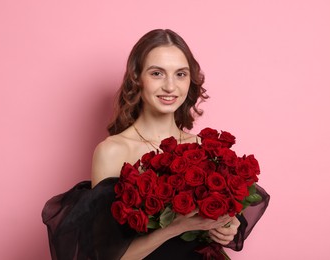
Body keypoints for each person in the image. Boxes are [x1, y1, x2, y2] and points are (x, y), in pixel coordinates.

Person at [42, 29, 270, 260]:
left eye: (180, 74)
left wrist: (226, 226)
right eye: (157, 73)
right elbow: (105, 256)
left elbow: (215, 227)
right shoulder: (113, 151)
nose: (170, 87)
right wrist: (176, 227)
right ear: (136, 78)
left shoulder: (202, 147)